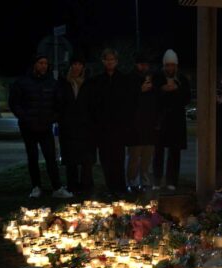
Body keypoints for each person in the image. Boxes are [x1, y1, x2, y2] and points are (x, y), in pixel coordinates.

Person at [9, 54, 72, 199]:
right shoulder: (22, 82)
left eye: (45, 63)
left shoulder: (52, 83)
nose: (44, 66)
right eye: (40, 63)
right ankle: (36, 187)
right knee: (32, 158)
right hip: (28, 127)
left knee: (51, 158)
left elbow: (59, 104)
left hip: (45, 127)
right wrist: (25, 118)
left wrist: (52, 119)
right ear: (34, 64)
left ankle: (57, 187)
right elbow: (14, 103)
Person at [89, 48, 131, 195]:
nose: (110, 62)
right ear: (103, 61)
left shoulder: (124, 80)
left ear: (116, 61)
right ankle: (110, 186)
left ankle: (120, 186)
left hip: (119, 128)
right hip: (103, 128)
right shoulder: (97, 81)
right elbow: (94, 105)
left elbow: (128, 104)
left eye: (112, 59)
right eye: (107, 59)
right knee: (106, 160)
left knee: (118, 158)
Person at [152, 49, 191, 191]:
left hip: (176, 121)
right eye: (167, 65)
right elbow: (153, 97)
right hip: (161, 120)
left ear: (176, 65)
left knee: (174, 152)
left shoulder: (182, 79)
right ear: (164, 65)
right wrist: (163, 90)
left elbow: (187, 98)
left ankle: (172, 181)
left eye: (172, 65)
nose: (170, 68)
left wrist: (176, 89)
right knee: (158, 151)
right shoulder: (157, 78)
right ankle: (157, 180)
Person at [57, 54, 95, 195]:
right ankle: (72, 185)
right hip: (68, 126)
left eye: (79, 64)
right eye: (74, 64)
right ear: (71, 66)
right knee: (71, 157)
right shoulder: (64, 83)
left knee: (86, 157)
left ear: (83, 67)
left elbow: (93, 104)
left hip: (86, 126)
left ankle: (86, 184)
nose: (77, 67)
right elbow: (59, 103)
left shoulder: (88, 83)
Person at [126, 52, 160, 193]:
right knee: (134, 155)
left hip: (150, 124)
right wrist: (140, 90)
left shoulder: (153, 80)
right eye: (141, 64)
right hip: (135, 124)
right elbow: (126, 100)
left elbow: (157, 100)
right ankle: (132, 181)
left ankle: (144, 181)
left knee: (147, 156)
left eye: (146, 64)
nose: (144, 66)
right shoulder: (130, 79)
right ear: (136, 64)